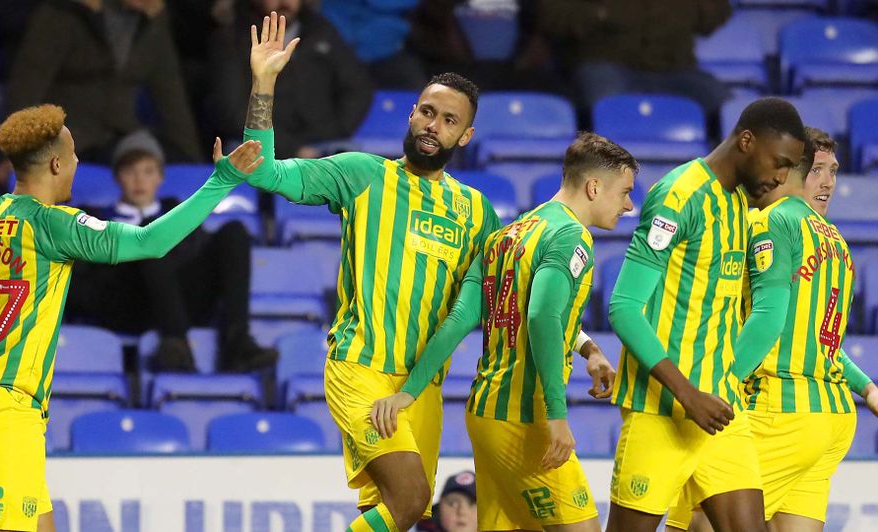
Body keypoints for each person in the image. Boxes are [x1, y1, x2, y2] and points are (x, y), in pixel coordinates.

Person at [0, 104, 263, 532]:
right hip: (4, 410)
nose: (77, 163)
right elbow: (151, 241)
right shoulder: (54, 225)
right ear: (56, 163)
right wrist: (220, 182)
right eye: (73, 156)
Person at [242, 12, 501, 531]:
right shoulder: (362, 174)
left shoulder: (478, 213)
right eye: (427, 112)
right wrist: (264, 83)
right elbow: (264, 170)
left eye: (449, 120)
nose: (433, 125)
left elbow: (506, 294)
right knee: (409, 499)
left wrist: (585, 347)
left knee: (394, 514)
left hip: (422, 385)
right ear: (411, 114)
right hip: (360, 369)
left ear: (466, 135)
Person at [372, 131, 635, 531]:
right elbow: (541, 318)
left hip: (484, 414)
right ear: (594, 186)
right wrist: (557, 416)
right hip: (525, 420)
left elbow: (461, 318)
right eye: (625, 192)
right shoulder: (571, 237)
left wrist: (589, 350)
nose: (630, 204)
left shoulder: (506, 236)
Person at [605, 97, 806, 532]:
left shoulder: (739, 204)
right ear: (747, 141)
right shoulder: (680, 195)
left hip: (720, 413)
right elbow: (623, 306)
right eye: (780, 162)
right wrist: (686, 394)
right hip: (661, 410)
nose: (782, 177)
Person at [665, 128, 878, 532]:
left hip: (782, 408)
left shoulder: (772, 223)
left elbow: (768, 319)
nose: (829, 182)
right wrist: (867, 387)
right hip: (831, 417)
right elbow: (818, 338)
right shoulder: (836, 242)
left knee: (696, 520)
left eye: (833, 170)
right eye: (819, 170)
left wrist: (718, 386)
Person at [66, 134, 277, 373]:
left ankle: (237, 341)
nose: (139, 180)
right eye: (130, 171)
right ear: (117, 177)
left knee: (234, 231)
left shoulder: (178, 212)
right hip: (128, 304)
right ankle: (175, 346)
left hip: (183, 300)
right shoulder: (95, 219)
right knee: (148, 237)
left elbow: (197, 253)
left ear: (160, 177)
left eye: (148, 171)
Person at [5, 0, 202, 163]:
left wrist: (193, 163)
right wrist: (14, 158)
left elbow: (171, 96)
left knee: (150, 162)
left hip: (123, 135)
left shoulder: (152, 19)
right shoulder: (62, 14)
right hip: (68, 138)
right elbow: (26, 88)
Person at [208, 0, 374, 158]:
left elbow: (357, 87)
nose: (284, 2)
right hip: (258, 146)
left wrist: (336, 130)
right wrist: (290, 148)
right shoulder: (232, 39)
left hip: (323, 144)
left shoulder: (322, 31)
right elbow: (231, 111)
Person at [536, 0, 731, 120]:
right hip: (605, 63)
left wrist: (695, 9)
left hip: (676, 68)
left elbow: (716, 15)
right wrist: (601, 14)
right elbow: (549, 15)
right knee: (608, 103)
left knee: (729, 109)